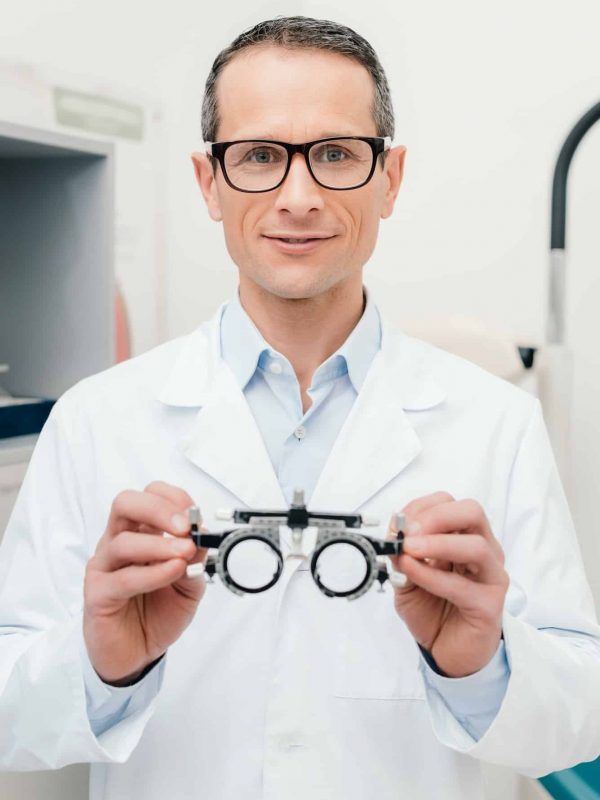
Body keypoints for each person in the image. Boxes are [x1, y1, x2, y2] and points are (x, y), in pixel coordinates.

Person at [0, 15, 599, 800]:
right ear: (208, 183)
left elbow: (578, 723)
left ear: (390, 177)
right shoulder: (94, 421)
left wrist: (480, 663)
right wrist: (105, 662)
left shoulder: (497, 423)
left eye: (337, 154)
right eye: (257, 157)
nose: (299, 196)